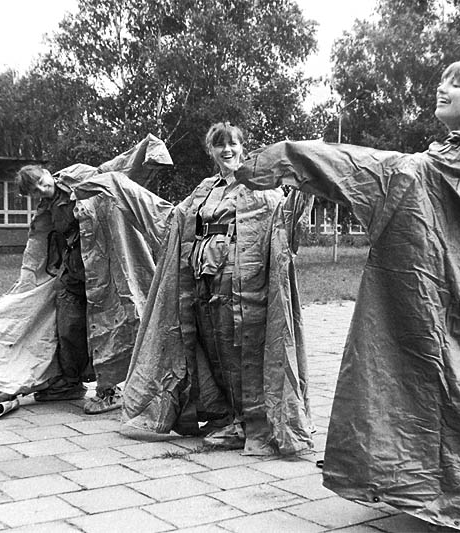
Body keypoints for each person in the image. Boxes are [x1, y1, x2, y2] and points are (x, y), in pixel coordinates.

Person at [236, 60, 460, 531]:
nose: (442, 88)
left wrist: (284, 157)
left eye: (457, 84)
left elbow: (361, 169)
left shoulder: (449, 172)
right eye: (443, 80)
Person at [0, 135, 174, 419]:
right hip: (72, 274)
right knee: (67, 329)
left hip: (105, 271)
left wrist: (146, 153)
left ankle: (109, 390)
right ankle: (68, 382)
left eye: (42, 181)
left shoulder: (79, 176)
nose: (43, 188)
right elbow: (45, 243)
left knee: (109, 327)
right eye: (36, 190)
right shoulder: (47, 207)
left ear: (46, 172)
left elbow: (114, 172)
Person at [121, 122, 315, 456]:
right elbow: (176, 219)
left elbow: (283, 222)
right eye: (220, 145)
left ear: (242, 147)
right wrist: (126, 191)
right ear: (211, 150)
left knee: (238, 349)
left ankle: (248, 421)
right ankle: (226, 414)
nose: (227, 150)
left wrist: (305, 182)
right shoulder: (205, 189)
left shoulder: (260, 187)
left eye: (233, 144)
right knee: (212, 348)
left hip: (241, 283)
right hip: (202, 276)